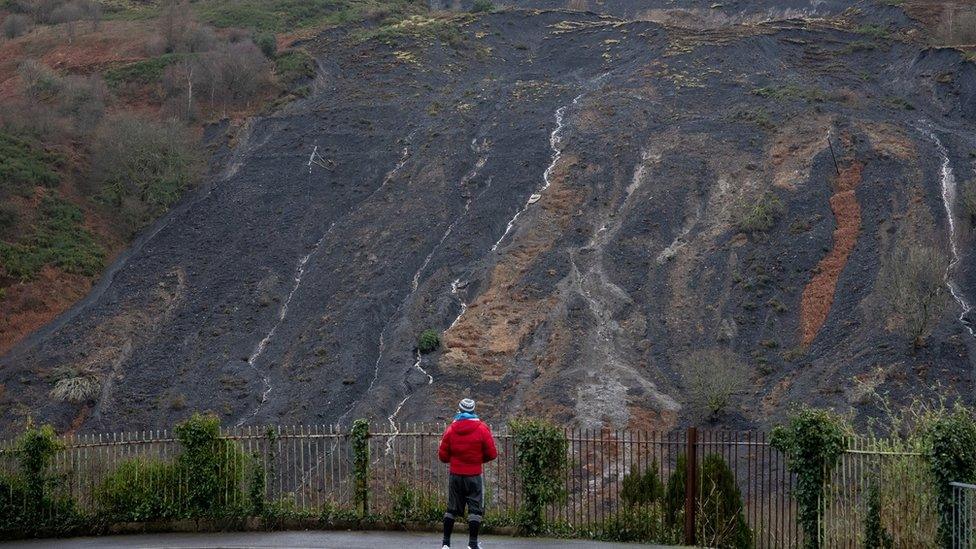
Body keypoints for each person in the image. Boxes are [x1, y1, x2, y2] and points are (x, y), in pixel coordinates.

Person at [438, 398, 498, 549]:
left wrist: (456, 460)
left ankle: (446, 544)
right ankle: (472, 544)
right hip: (474, 475)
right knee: (475, 510)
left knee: (451, 509)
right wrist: (477, 460)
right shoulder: (482, 429)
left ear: (459, 410)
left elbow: (443, 456)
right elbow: (492, 454)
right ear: (473, 410)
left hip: (455, 475)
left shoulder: (451, 429)